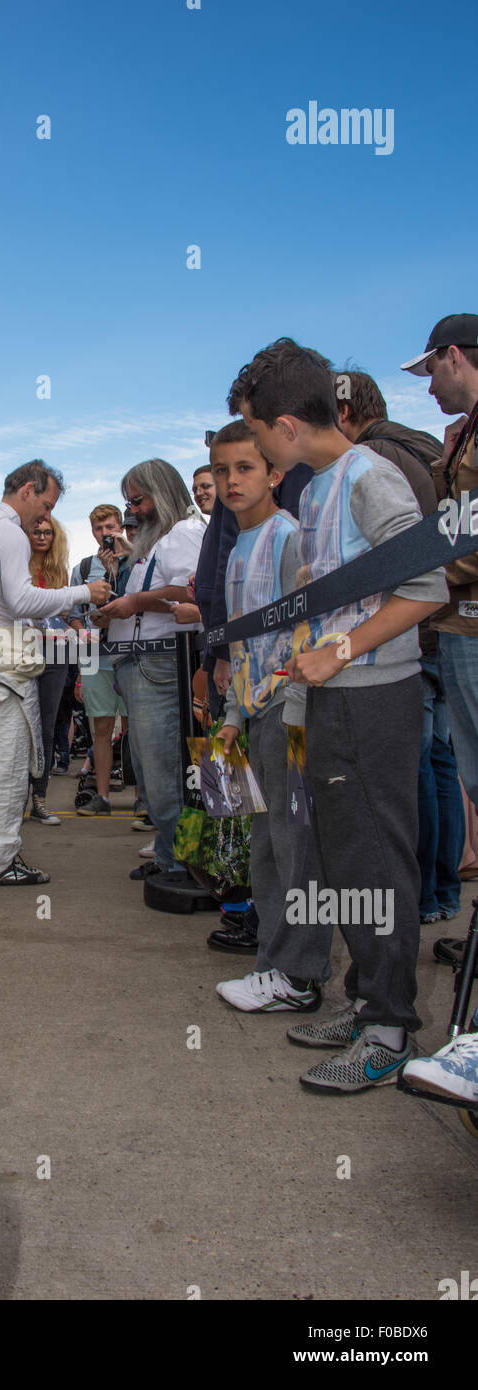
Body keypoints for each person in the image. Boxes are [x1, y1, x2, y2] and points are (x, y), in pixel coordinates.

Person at [229, 337, 447, 1093]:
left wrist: (342, 649)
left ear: (285, 425)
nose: (251, 443)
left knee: (376, 862)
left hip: (371, 697)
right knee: (340, 857)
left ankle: (389, 1029)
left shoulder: (368, 476)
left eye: (254, 431)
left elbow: (427, 587)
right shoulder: (315, 486)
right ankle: (363, 1005)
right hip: (326, 700)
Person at [203, 421, 330, 1014]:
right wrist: (231, 717)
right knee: (265, 846)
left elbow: (307, 633)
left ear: (275, 474)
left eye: (244, 468)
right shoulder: (235, 551)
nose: (231, 481)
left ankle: (299, 974)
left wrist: (292, 718)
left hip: (291, 714)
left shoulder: (287, 539)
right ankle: (276, 965)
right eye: (222, 470)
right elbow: (243, 649)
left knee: (294, 846)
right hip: (255, 716)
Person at [0, 460, 110, 885]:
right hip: (1, 667)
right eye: (47, 505)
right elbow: (18, 600)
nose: (45, 517)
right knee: (5, 768)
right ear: (28, 490)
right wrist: (83, 592)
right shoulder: (10, 531)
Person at [335, 368, 464, 926]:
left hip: (410, 625)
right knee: (439, 762)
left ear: (342, 412)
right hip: (444, 622)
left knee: (409, 771)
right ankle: (441, 892)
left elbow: (408, 556)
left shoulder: (374, 459)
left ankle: (417, 897)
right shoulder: (427, 445)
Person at [397, 314, 478, 1099]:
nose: (430, 386)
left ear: (455, 356)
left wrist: (427, 582)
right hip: (457, 631)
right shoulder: (457, 438)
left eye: (432, 371)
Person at [93, 459, 206, 882]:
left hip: (161, 663)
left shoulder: (186, 534)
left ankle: (182, 863)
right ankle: (168, 854)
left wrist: (134, 604)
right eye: (129, 502)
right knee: (149, 764)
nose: (131, 511)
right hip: (143, 664)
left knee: (163, 771)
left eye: (137, 501)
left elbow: (194, 590)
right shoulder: (156, 542)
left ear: (161, 493)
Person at [67, 504, 130, 817]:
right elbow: (72, 613)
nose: (105, 534)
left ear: (120, 527)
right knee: (100, 729)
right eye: (99, 529)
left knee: (138, 729)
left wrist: (118, 568)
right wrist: (84, 633)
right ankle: (102, 796)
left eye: (110, 527)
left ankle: (145, 796)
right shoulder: (83, 567)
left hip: (131, 656)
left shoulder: (137, 559)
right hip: (95, 657)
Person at [26, 517, 72, 825]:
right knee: (18, 727)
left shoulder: (60, 571)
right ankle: (15, 799)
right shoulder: (17, 566)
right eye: (37, 531)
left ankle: (39, 799)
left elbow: (65, 613)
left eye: (47, 532)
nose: (42, 536)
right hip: (20, 651)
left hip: (56, 651)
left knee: (46, 728)